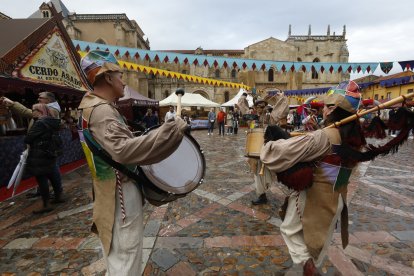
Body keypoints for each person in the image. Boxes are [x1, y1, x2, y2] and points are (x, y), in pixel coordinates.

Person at [78, 50, 188, 275]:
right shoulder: (101, 111)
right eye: (119, 75)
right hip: (120, 195)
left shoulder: (93, 107)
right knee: (126, 262)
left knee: (117, 257)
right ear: (108, 77)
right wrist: (170, 131)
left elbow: (114, 147)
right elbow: (123, 151)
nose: (123, 80)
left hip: (109, 191)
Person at [260, 81, 366, 275]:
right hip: (337, 195)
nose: (323, 110)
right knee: (319, 240)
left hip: (314, 196)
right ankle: (308, 267)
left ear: (333, 109)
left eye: (326, 106)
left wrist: (269, 145)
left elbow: (283, 152)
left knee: (290, 230)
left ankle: (308, 269)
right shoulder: (356, 137)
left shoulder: (325, 136)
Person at [1, 92, 63, 199]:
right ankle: (47, 194)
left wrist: (12, 104)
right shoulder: (47, 108)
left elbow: (29, 113)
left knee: (49, 171)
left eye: (40, 98)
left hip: (44, 147)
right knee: (45, 171)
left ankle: (54, 196)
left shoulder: (51, 110)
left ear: (48, 100)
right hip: (43, 147)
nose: (38, 99)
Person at [237, 90, 289, 205]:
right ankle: (262, 195)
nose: (261, 108)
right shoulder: (251, 116)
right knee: (256, 172)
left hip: (266, 149)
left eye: (263, 106)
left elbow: (281, 109)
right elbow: (241, 104)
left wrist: (282, 97)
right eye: (259, 106)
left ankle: (262, 193)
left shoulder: (270, 117)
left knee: (266, 172)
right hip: (254, 150)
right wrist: (244, 95)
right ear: (255, 107)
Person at [24, 103, 63, 213]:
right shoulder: (51, 121)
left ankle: (46, 204)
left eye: (33, 110)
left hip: (40, 153)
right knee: (53, 175)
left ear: (40, 111)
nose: (32, 112)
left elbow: (28, 138)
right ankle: (58, 196)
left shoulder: (40, 123)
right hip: (49, 152)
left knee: (41, 179)